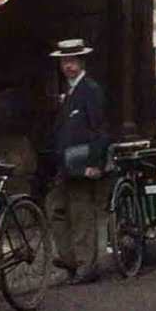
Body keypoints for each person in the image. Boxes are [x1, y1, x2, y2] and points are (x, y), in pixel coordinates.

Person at [46, 37, 109, 285]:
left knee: (81, 212)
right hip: (65, 163)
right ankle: (70, 260)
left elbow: (100, 129)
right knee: (55, 208)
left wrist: (95, 162)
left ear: (82, 62)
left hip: (82, 162)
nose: (68, 66)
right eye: (65, 61)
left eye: (73, 61)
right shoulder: (69, 93)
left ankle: (86, 266)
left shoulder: (90, 90)